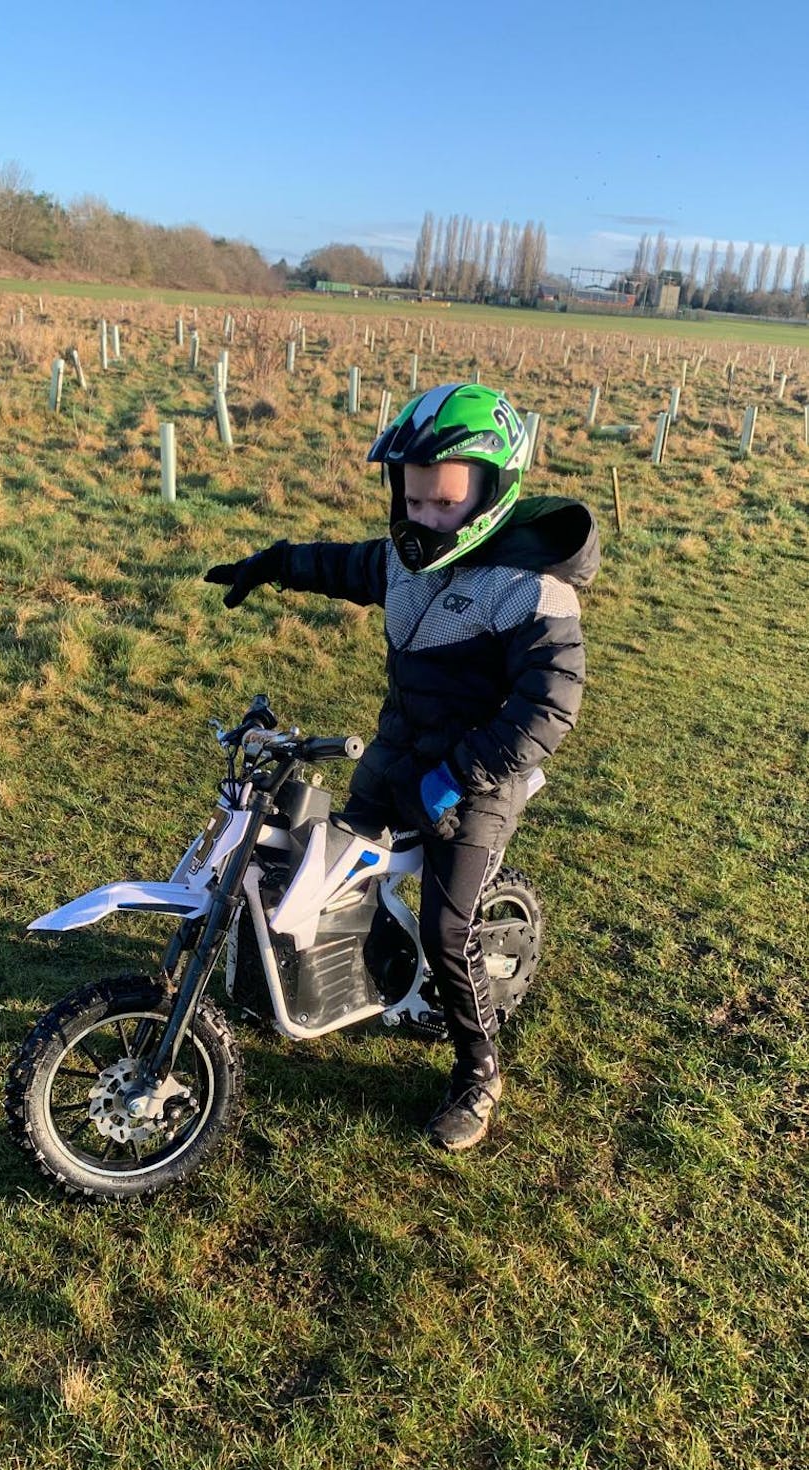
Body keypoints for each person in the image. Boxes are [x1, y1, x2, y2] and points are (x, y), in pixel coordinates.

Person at [204, 382, 599, 1151]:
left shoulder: (532, 594)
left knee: (448, 931)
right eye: (412, 501)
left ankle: (477, 1072)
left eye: (442, 504)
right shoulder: (405, 560)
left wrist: (456, 777)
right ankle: (347, 980)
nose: (423, 519)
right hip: (392, 760)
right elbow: (346, 566)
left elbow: (545, 712)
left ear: (491, 493)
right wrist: (273, 563)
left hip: (477, 780)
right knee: (320, 868)